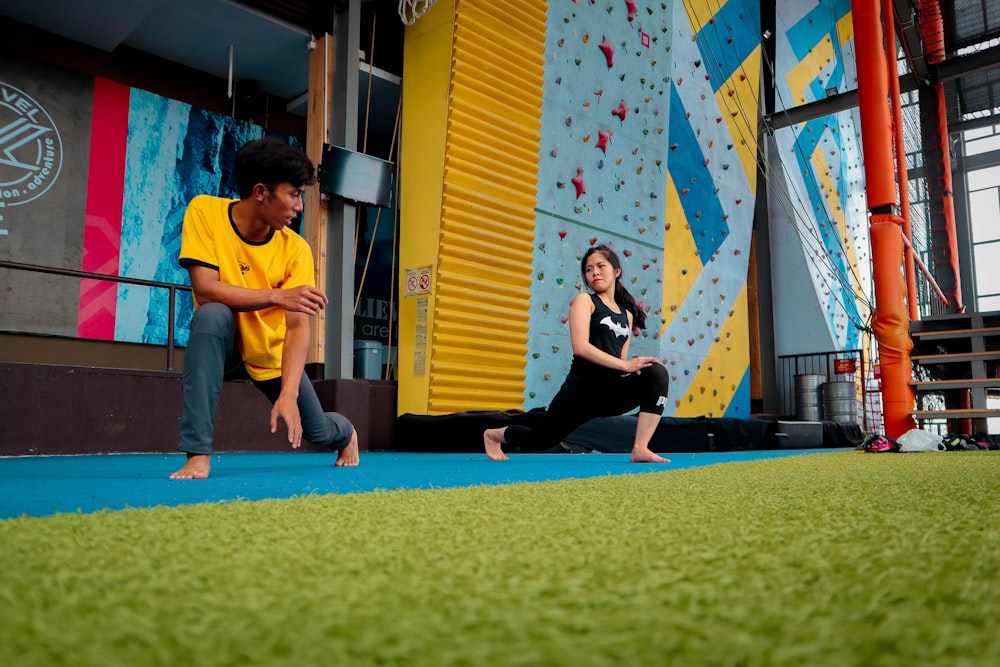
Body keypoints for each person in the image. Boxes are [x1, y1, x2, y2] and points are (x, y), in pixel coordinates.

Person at [170, 137, 359, 480]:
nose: (299, 206)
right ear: (260, 192)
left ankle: (345, 432)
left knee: (317, 432)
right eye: (293, 194)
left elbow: (299, 327)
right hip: (223, 345)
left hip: (271, 353)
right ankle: (197, 455)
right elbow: (205, 288)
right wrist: (276, 297)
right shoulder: (204, 211)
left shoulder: (296, 250)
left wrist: (288, 393)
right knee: (210, 314)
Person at [483, 244, 670, 463]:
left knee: (657, 372)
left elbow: (618, 360)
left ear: (617, 271)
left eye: (601, 266)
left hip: (609, 392)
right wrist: (626, 366)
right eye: (589, 269)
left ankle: (640, 448)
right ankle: (493, 434)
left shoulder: (626, 316)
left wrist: (632, 368)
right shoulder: (586, 300)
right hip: (580, 392)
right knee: (541, 440)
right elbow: (581, 347)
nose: (595, 273)